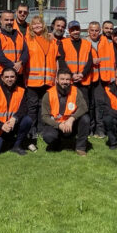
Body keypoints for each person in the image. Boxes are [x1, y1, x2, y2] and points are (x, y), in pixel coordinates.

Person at [24, 15, 58, 151]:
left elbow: (56, 59)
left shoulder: (51, 40)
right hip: (33, 81)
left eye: (39, 23)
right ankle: (31, 133)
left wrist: (56, 77)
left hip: (48, 81)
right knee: (32, 108)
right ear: (31, 27)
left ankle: (42, 131)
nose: (37, 26)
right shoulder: (27, 39)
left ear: (43, 25)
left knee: (44, 108)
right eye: (34, 24)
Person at [0, 68, 32, 155]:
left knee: (27, 120)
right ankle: (4, 140)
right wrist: (1, 125)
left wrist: (15, 118)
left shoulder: (21, 91)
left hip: (12, 126)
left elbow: (24, 109)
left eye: (12, 77)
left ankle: (16, 145)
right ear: (2, 78)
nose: (9, 79)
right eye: (7, 77)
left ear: (16, 78)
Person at [40, 68, 90, 156]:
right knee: (48, 136)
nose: (65, 82)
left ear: (70, 80)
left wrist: (71, 119)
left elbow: (84, 107)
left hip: (71, 125)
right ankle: (57, 142)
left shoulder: (76, 91)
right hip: (56, 125)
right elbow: (45, 116)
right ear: (57, 80)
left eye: (67, 79)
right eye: (62, 79)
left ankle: (80, 148)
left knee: (85, 119)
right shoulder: (48, 94)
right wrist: (59, 125)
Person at [58, 20, 94, 131]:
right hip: (70, 81)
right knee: (69, 105)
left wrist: (82, 74)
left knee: (84, 105)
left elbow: (89, 62)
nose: (75, 32)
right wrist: (71, 75)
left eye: (77, 29)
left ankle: (84, 129)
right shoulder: (63, 43)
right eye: (73, 30)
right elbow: (62, 61)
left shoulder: (87, 44)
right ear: (69, 31)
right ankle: (70, 128)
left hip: (83, 81)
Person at [0, 10, 28, 88]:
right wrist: (13, 66)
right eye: (6, 20)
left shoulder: (19, 35)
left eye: (11, 20)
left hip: (17, 75)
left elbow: (25, 52)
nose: (9, 22)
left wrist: (21, 62)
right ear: (1, 20)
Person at [88, 21, 114, 138]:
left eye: (96, 30)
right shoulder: (84, 42)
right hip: (88, 78)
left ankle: (100, 130)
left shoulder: (106, 41)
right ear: (88, 31)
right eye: (92, 30)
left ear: (100, 31)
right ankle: (89, 129)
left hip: (101, 78)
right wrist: (91, 61)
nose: (94, 32)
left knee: (100, 104)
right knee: (90, 105)